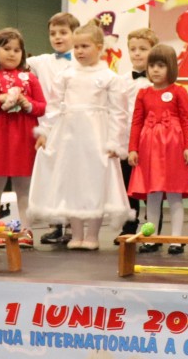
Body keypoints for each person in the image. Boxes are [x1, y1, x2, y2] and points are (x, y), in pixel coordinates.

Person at [28, 22, 132, 250]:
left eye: (85, 46)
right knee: (73, 183)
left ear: (99, 47)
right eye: (76, 47)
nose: (79, 51)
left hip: (97, 137)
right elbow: (53, 106)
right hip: (70, 137)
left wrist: (115, 142)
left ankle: (92, 235)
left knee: (95, 183)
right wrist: (45, 132)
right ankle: (76, 234)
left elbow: (119, 113)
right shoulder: (66, 75)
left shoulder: (110, 78)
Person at [0, 13, 80, 245]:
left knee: (71, 175)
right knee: (48, 175)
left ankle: (73, 226)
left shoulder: (81, 62)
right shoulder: (41, 62)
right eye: (53, 33)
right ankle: (55, 224)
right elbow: (13, 53)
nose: (57, 37)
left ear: (75, 35)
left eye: (63, 32)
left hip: (74, 125)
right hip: (47, 125)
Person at [0, 27, 45, 238]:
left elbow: (41, 107)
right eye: (7, 49)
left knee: (24, 186)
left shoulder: (30, 78)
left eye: (17, 50)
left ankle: (26, 232)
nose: (12, 54)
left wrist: (27, 103)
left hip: (23, 139)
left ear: (23, 53)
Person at [127, 43, 188, 253]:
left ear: (171, 67)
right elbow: (136, 122)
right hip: (149, 149)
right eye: (152, 66)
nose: (155, 70)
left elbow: (186, 120)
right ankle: (151, 238)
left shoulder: (179, 91)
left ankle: (176, 239)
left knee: (174, 193)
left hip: (174, 147)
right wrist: (133, 149)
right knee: (152, 193)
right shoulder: (143, 93)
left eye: (161, 65)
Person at [120, 27, 160, 238]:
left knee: (153, 188)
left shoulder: (159, 82)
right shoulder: (122, 81)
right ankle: (129, 226)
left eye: (143, 49)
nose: (137, 53)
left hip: (153, 142)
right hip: (127, 142)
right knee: (128, 187)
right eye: (133, 49)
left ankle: (151, 230)